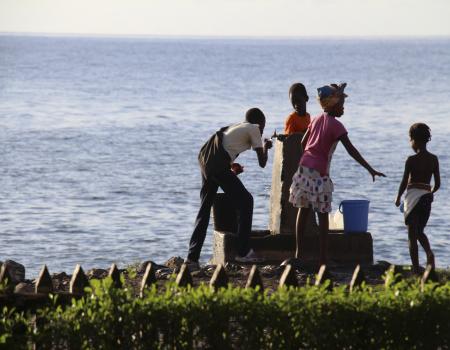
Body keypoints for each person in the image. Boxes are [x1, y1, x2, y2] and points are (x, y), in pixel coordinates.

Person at [289, 83, 385, 266]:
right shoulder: (337, 125)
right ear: (333, 105)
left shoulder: (316, 119)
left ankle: (298, 254)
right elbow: (351, 150)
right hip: (319, 172)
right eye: (341, 104)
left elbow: (303, 142)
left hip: (303, 168)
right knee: (323, 214)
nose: (343, 107)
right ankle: (323, 259)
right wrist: (370, 169)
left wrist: (309, 157)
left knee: (304, 209)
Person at [185, 108, 273, 268]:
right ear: (259, 123)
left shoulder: (236, 127)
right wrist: (266, 146)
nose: (262, 130)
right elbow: (262, 163)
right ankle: (243, 252)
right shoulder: (254, 128)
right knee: (246, 201)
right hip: (217, 165)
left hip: (206, 159)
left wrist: (231, 166)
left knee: (204, 210)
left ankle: (191, 258)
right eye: (264, 126)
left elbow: (226, 147)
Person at [395, 123, 440, 274]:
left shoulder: (411, 160)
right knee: (420, 231)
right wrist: (429, 193)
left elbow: (403, 182)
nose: (410, 144)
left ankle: (415, 268)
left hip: (413, 198)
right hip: (426, 198)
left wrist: (398, 197)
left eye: (410, 140)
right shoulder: (434, 159)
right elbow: (438, 183)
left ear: (415, 141)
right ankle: (429, 253)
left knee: (411, 235)